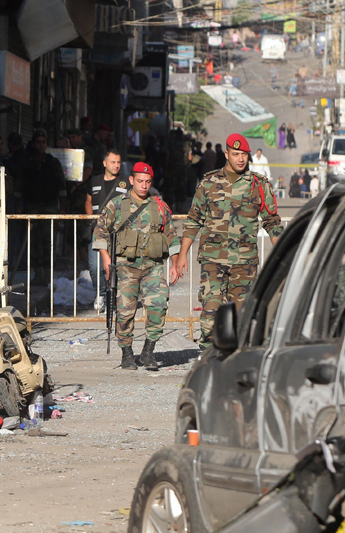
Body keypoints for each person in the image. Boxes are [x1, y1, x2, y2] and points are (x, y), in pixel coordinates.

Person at [172, 134, 283, 351]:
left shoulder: (258, 185)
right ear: (227, 154)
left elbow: (272, 222)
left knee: (241, 318)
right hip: (213, 259)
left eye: (244, 154)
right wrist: (182, 254)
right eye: (236, 154)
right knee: (211, 314)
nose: (241, 159)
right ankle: (207, 357)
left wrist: (281, 254)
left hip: (245, 262)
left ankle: (234, 361)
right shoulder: (209, 183)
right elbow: (194, 220)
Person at [93, 162, 180, 370]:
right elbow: (100, 231)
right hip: (125, 267)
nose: (143, 185)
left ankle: (148, 351)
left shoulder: (159, 206)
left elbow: (171, 235)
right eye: (140, 181)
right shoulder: (117, 204)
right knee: (125, 311)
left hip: (153, 265)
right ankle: (127, 352)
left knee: (158, 306)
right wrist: (106, 258)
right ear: (131, 180)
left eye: (148, 182)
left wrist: (175, 264)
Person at [85, 150, 129, 312]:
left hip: (118, 233)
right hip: (97, 231)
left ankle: (115, 296)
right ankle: (101, 293)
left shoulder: (125, 183)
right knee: (95, 266)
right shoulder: (94, 180)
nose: (116, 165)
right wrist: (90, 220)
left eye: (118, 162)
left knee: (116, 266)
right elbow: (88, 201)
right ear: (104, 163)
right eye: (113, 162)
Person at [21, 129, 66, 214]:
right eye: (38, 142)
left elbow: (61, 186)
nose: (41, 145)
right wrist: (18, 207)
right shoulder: (26, 162)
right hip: (31, 206)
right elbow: (19, 184)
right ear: (33, 144)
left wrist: (62, 208)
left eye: (43, 142)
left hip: (49, 206)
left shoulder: (53, 162)